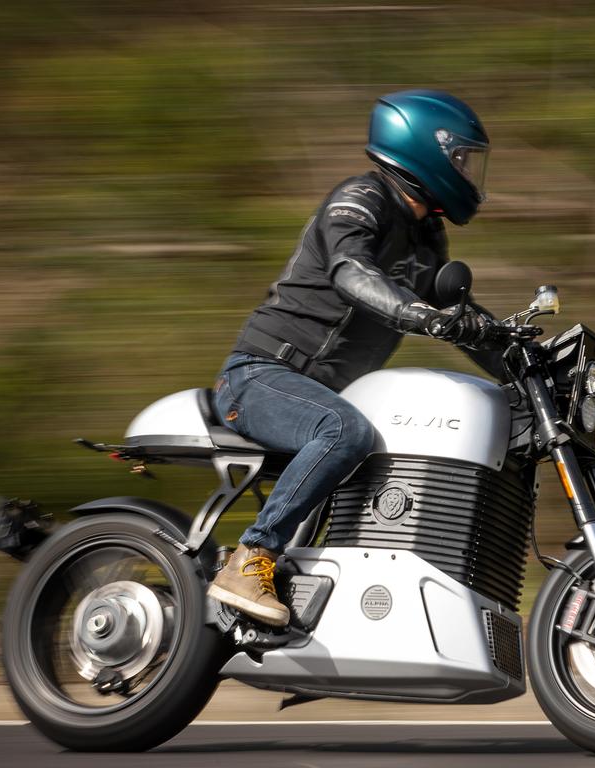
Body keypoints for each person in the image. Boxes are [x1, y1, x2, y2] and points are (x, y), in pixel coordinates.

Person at [207, 90, 505, 627]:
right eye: (461, 158)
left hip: (320, 392)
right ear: (425, 149)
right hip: (261, 375)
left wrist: (524, 359)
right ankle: (251, 559)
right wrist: (420, 314)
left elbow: (458, 317)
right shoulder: (360, 198)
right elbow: (352, 272)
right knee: (346, 432)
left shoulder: (425, 235)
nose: (468, 172)